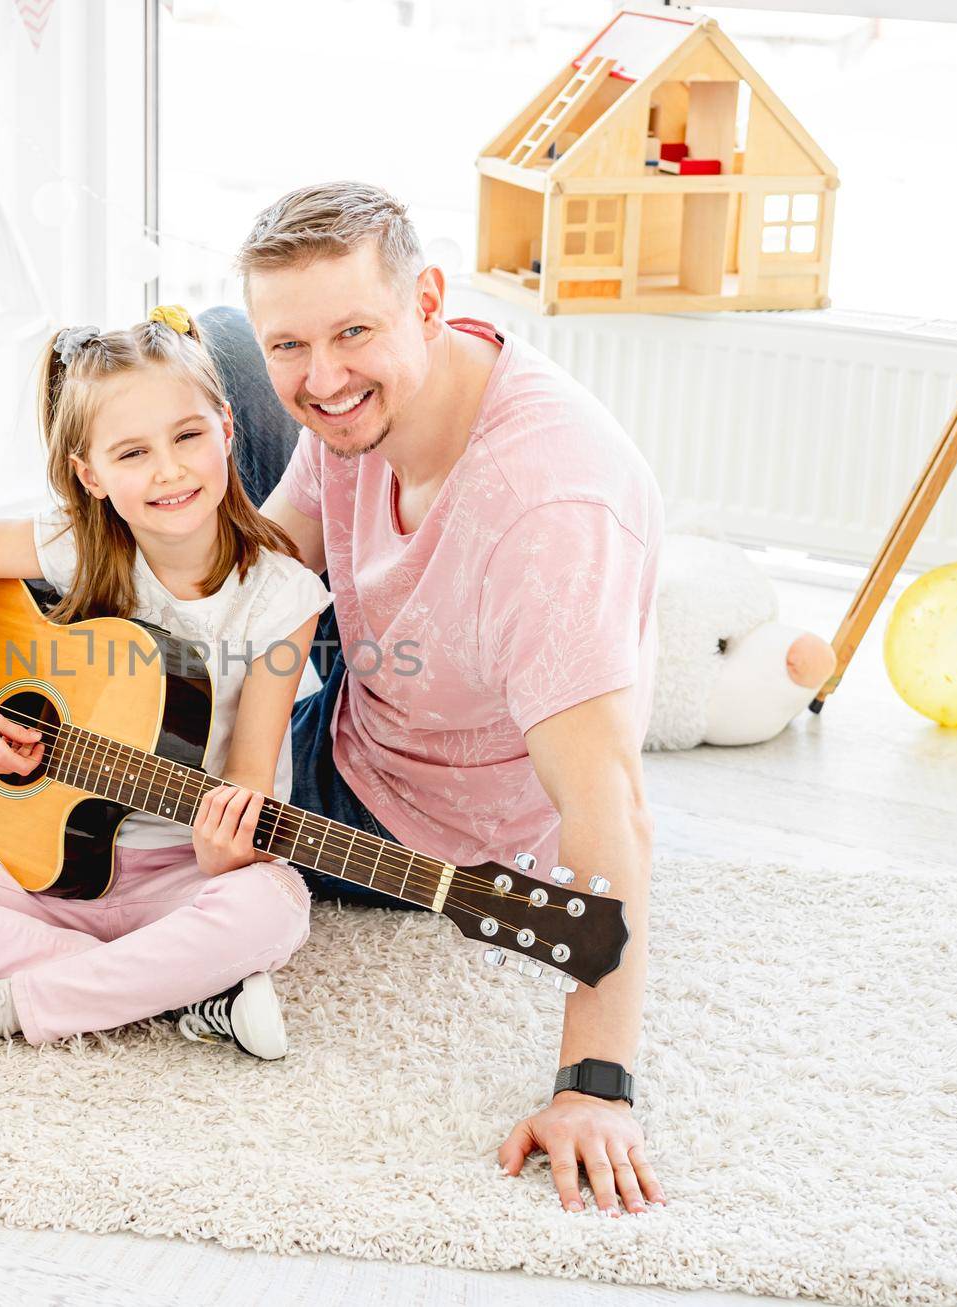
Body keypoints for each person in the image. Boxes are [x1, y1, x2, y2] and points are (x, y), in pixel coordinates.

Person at [233, 182, 667, 1216]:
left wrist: (593, 1084)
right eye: (289, 342)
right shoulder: (358, 394)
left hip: (420, 810)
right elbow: (284, 570)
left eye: (352, 332)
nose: (323, 376)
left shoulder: (543, 510)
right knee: (169, 373)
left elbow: (609, 808)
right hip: (373, 677)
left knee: (117, 789)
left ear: (427, 299)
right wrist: (246, 757)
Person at [0, 305, 332, 1067]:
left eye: (187, 435)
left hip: (181, 873)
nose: (168, 470)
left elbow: (250, 785)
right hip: (43, 872)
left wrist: (228, 849)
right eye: (132, 452)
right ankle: (181, 987)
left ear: (227, 427)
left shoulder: (281, 598)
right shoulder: (73, 545)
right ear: (90, 475)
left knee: (274, 906)